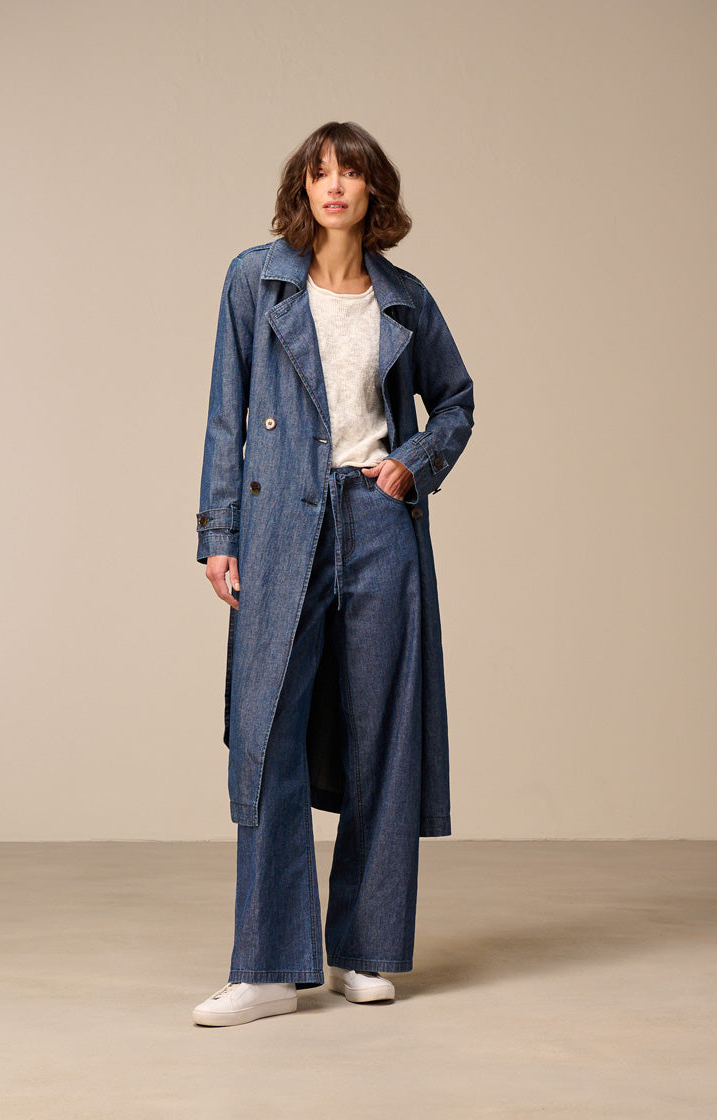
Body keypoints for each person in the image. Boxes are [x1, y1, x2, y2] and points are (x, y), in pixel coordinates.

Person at [192, 121, 474, 1027]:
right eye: (320, 172)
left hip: (378, 522)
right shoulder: (256, 279)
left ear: (372, 189)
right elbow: (226, 412)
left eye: (350, 172)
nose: (335, 185)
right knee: (267, 730)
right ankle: (269, 967)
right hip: (281, 521)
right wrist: (219, 531)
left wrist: (413, 464)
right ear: (303, 188)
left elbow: (457, 401)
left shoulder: (404, 298)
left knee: (382, 732)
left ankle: (367, 949)